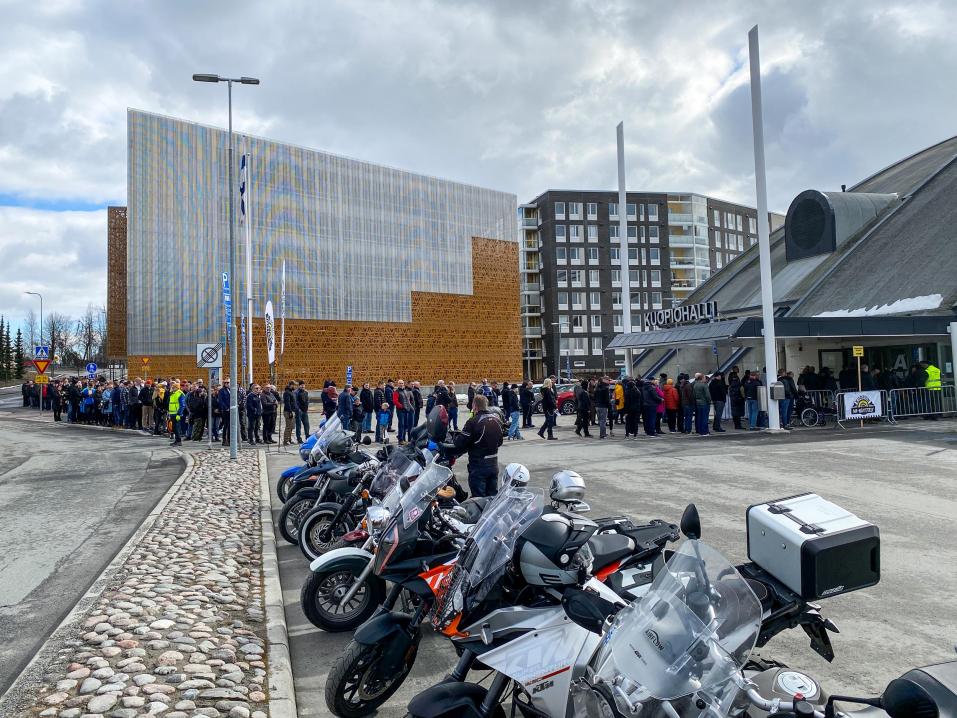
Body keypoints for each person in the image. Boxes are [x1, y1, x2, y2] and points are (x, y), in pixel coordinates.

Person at [453, 394, 503, 498]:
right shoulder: (497, 420)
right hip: (494, 464)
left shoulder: (473, 422)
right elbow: (500, 442)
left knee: (478, 499)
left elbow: (460, 443)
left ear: (474, 406)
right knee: (492, 497)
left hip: (478, 465)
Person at [394, 379, 414, 444]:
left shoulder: (405, 391)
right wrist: (402, 406)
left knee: (405, 425)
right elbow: (395, 401)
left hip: (406, 410)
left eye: (402, 383)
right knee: (401, 425)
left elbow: (408, 400)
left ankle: (403, 439)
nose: (401, 384)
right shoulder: (396, 392)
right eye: (400, 383)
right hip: (400, 410)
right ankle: (400, 439)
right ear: (397, 384)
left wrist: (409, 407)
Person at [167, 381, 185, 446]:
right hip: (172, 413)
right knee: (174, 428)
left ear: (177, 388)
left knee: (176, 428)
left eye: (173, 387)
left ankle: (179, 441)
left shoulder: (180, 394)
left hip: (176, 414)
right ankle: (176, 440)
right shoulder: (173, 393)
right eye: (172, 387)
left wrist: (179, 414)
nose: (172, 388)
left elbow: (182, 405)